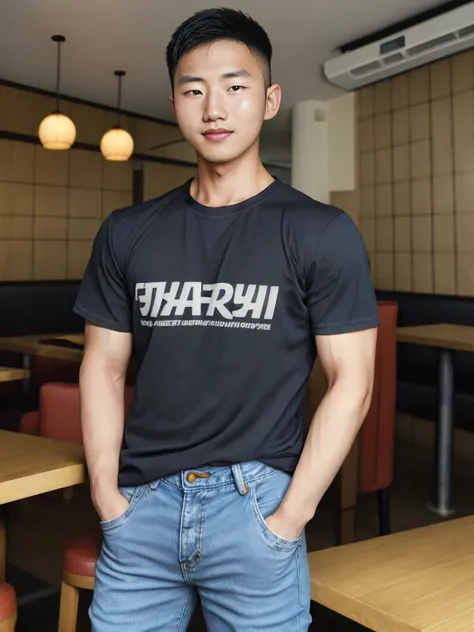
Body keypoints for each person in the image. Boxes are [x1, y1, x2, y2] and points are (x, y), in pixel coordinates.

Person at [74, 7, 379, 632]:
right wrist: (108, 498)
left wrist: (290, 517)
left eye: (235, 87)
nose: (214, 108)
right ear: (175, 102)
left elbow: (353, 381)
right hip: (141, 509)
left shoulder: (320, 231)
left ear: (269, 100)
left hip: (257, 506)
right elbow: (103, 367)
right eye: (194, 90)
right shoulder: (127, 232)